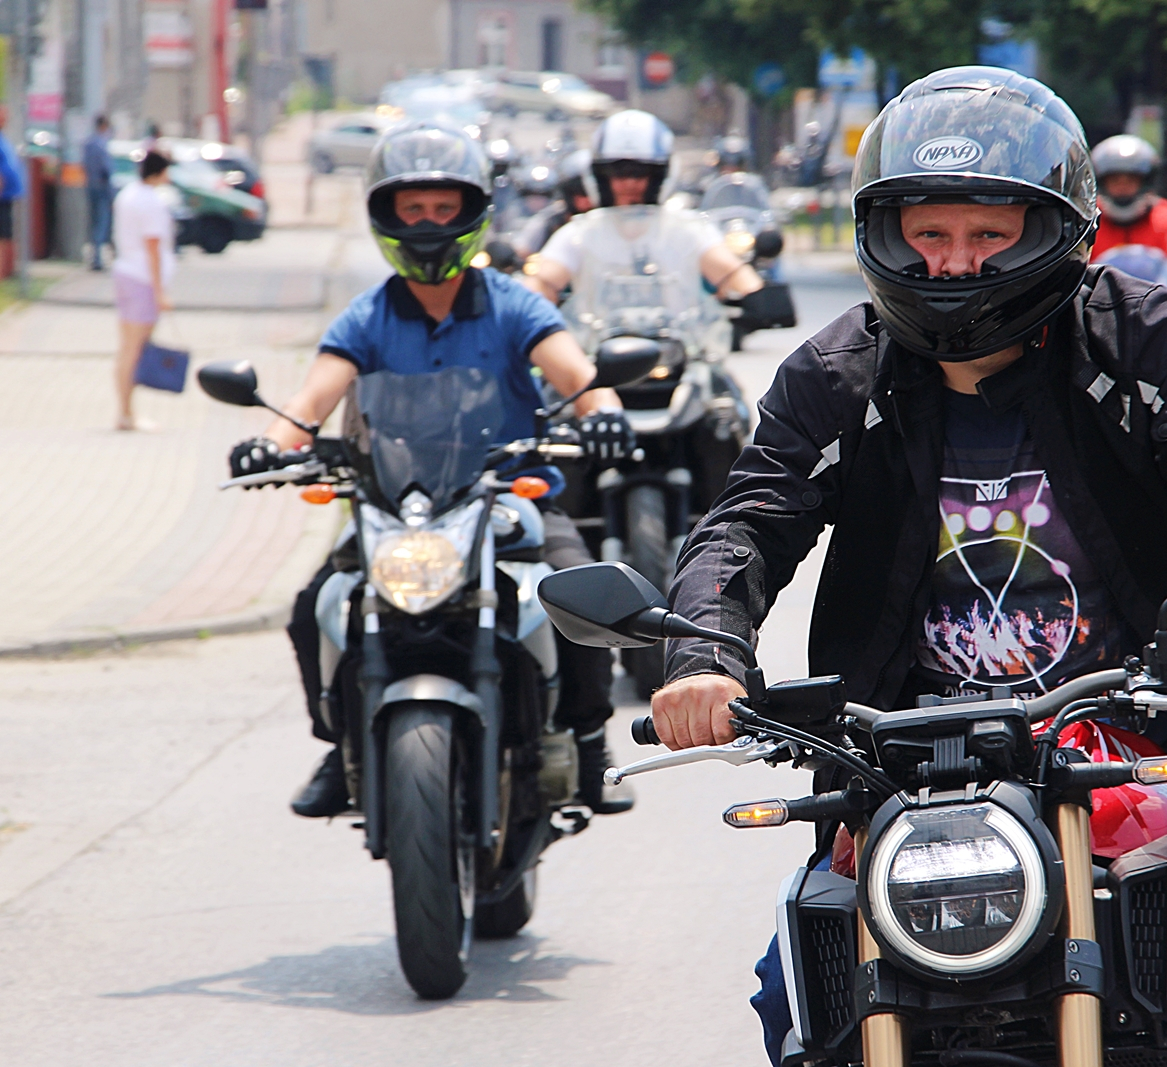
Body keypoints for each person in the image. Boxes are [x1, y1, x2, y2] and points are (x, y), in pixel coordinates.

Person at [648, 67, 1167, 1067]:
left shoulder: (1142, 338)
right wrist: (703, 659)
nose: (954, 263)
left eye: (990, 233)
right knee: (796, 987)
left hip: (1145, 729)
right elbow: (745, 523)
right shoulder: (836, 375)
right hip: (903, 757)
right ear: (886, 233)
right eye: (928, 234)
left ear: (1056, 230)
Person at [225, 121, 638, 819]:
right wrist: (273, 443)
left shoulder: (514, 303)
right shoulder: (366, 315)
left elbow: (579, 376)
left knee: (581, 592)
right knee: (314, 606)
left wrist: (603, 412)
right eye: (412, 208)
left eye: (444, 208)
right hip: (396, 502)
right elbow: (311, 400)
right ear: (385, 216)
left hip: (509, 495)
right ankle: (340, 741)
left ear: (472, 212)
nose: (427, 224)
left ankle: (592, 743)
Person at [529, 110, 765, 312]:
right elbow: (543, 282)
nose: (630, 183)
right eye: (618, 172)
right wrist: (531, 302)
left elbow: (732, 273)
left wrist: (757, 297)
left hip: (682, 345)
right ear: (600, 177)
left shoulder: (687, 230)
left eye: (641, 172)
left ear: (660, 176)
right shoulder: (580, 233)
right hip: (594, 348)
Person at [110, 148, 176, 431]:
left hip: (125, 271)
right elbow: (153, 247)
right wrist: (160, 292)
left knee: (127, 346)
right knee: (135, 349)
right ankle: (127, 414)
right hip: (143, 279)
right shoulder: (151, 202)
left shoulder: (127, 195)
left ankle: (125, 411)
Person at [1088, 134, 1167, 282]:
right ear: (1101, 183)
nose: (1123, 187)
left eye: (1131, 180)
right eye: (1115, 180)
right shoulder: (1088, 220)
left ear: (1146, 182)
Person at [510, 148, 595, 257]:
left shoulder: (613, 223)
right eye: (578, 192)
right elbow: (523, 249)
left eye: (592, 193)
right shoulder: (550, 220)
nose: (585, 201)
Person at [83, 115, 114, 271]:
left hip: (91, 185)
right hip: (102, 186)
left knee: (94, 222)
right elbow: (106, 168)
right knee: (102, 223)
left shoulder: (88, 143)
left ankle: (94, 257)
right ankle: (97, 260)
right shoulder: (102, 144)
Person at [0, 105, 25, 280]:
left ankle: (9, 270)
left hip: (9, 195)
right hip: (2, 196)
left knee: (8, 233)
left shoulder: (4, 138)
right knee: (3, 234)